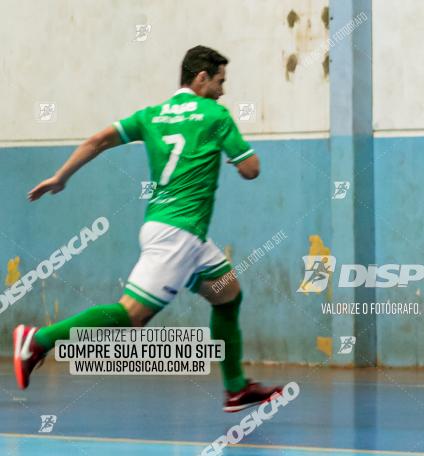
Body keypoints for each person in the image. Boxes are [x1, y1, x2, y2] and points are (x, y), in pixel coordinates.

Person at [15, 45, 283, 413]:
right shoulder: (215, 115)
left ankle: (236, 387)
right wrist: (238, 159)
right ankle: (37, 339)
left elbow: (97, 140)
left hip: (174, 231)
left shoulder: (151, 115)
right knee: (132, 315)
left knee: (228, 293)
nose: (224, 90)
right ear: (201, 77)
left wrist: (61, 176)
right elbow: (251, 169)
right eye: (221, 81)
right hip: (178, 236)